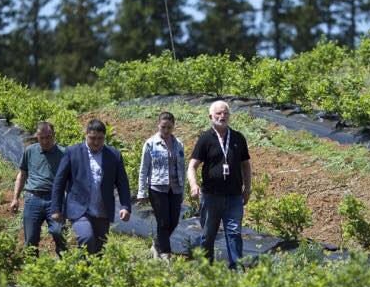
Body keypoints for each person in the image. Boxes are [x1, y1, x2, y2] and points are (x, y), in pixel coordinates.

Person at [50, 119, 132, 254]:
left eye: (100, 138)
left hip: (102, 210)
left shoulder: (114, 155)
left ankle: (86, 271)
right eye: (92, 138)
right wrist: (56, 208)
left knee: (100, 250)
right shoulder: (73, 152)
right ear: (86, 134)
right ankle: (83, 269)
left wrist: (125, 206)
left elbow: (122, 183)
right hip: (79, 208)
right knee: (86, 238)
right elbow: (59, 181)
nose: (96, 142)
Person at [187, 100, 252, 269]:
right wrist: (194, 185)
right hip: (211, 196)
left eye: (225, 113)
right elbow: (192, 166)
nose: (222, 116)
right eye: (218, 113)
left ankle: (237, 269)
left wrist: (248, 188)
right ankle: (206, 268)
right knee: (208, 235)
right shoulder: (205, 138)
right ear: (211, 116)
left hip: (234, 196)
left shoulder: (238, 138)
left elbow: (246, 165)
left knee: (234, 233)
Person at [10, 121, 65, 255]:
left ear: (54, 135)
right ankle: (34, 270)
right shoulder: (30, 151)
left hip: (55, 200)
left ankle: (64, 265)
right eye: (42, 138)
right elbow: (22, 175)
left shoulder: (64, 153)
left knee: (58, 233)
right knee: (31, 239)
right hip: (33, 199)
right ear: (37, 137)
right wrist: (15, 198)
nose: (45, 141)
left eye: (49, 137)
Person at [137, 112, 185, 260]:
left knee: (174, 220)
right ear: (158, 125)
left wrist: (183, 189)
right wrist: (141, 191)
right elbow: (144, 169)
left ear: (173, 127)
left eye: (169, 127)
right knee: (163, 221)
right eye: (163, 127)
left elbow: (182, 167)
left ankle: (157, 243)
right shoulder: (150, 143)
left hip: (175, 188)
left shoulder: (179, 144)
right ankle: (165, 252)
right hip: (157, 187)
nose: (166, 130)